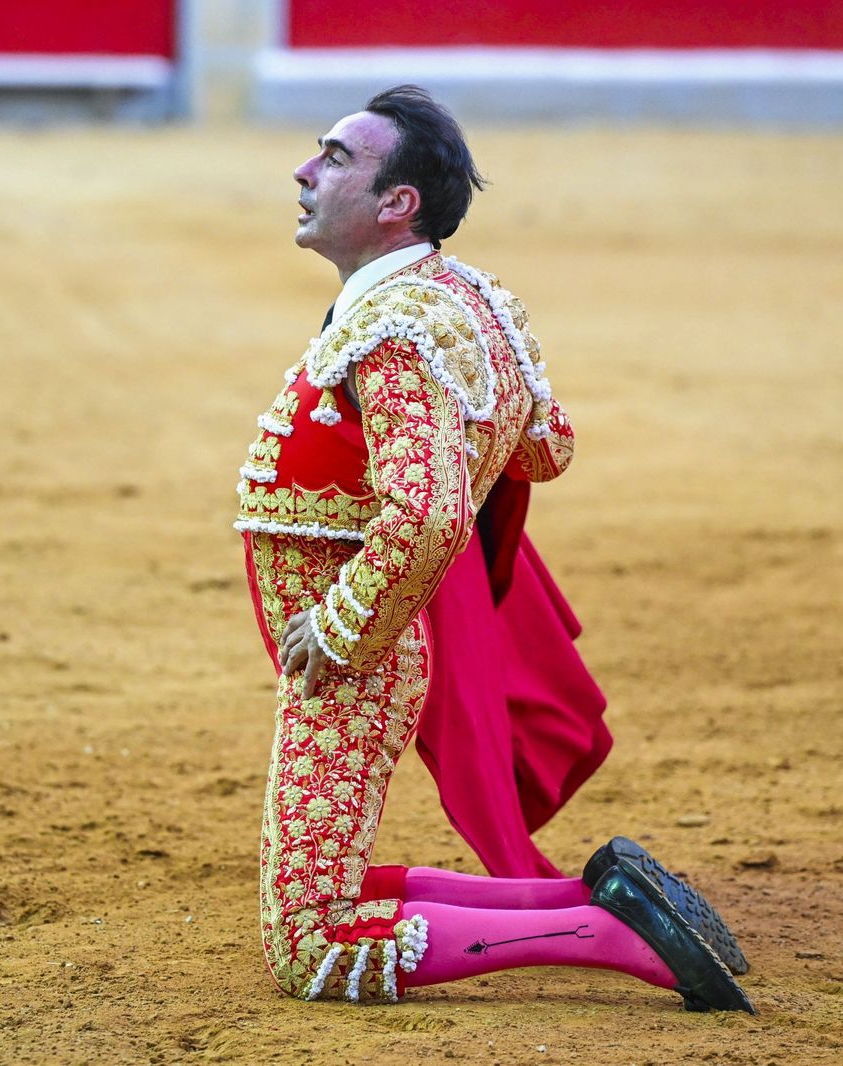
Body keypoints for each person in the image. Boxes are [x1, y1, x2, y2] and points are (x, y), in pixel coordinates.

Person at [235, 85, 752, 1010]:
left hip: (354, 662)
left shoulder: (396, 331)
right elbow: (544, 441)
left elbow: (430, 516)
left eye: (336, 159)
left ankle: (606, 936)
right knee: (327, 898)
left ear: (398, 204)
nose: (306, 172)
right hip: (369, 651)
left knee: (312, 945)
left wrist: (345, 628)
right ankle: (604, 899)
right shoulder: (461, 297)